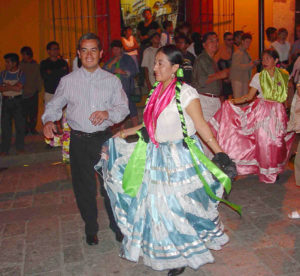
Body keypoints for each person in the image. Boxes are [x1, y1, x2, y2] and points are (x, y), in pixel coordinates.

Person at [95, 45, 236, 276]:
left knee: (175, 207)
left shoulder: (186, 93)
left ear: (175, 68)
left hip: (180, 158)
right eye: (156, 62)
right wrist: (125, 132)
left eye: (161, 63)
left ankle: (180, 253)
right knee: (159, 207)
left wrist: (221, 155)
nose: (155, 67)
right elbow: (150, 125)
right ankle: (172, 253)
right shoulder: (155, 92)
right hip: (156, 156)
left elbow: (201, 125)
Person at [42, 33, 129, 246]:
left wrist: (108, 114)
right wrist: (48, 120)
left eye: (93, 50)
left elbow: (123, 108)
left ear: (100, 53)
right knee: (83, 188)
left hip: (104, 140)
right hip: (79, 141)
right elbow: (54, 105)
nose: (88, 54)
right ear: (78, 54)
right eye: (84, 50)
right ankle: (91, 228)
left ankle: (117, 225)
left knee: (110, 186)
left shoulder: (111, 81)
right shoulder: (68, 81)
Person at [210, 49, 295, 183]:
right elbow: (249, 97)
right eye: (263, 59)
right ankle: (266, 172)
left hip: (278, 113)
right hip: (263, 112)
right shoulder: (259, 76)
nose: (265, 61)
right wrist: (232, 101)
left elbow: (288, 92)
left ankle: (273, 170)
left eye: (268, 58)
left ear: (276, 60)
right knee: (264, 142)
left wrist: (289, 110)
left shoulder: (284, 75)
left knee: (277, 142)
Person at [192, 32, 229, 158]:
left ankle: (211, 164)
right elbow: (201, 80)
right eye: (211, 41)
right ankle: (207, 166)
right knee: (207, 134)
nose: (215, 43)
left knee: (214, 132)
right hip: (205, 99)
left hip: (213, 100)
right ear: (204, 44)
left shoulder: (211, 60)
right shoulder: (202, 59)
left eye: (217, 40)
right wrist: (220, 75)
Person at [103, 40, 139, 127]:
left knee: (131, 108)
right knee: (118, 110)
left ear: (121, 49)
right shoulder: (111, 60)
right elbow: (103, 71)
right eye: (113, 50)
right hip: (114, 90)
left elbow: (134, 71)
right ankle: (121, 132)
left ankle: (137, 130)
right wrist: (113, 65)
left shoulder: (127, 58)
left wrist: (123, 72)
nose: (115, 51)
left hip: (126, 88)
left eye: (117, 49)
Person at [0, 53, 26, 156]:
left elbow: (18, 88)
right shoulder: (2, 74)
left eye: (8, 62)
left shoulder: (21, 74)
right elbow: (1, 89)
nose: (6, 64)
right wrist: (13, 86)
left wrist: (7, 86)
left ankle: (20, 147)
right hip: (6, 101)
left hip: (18, 101)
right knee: (5, 126)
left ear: (14, 63)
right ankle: (4, 149)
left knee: (20, 125)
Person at [20, 46, 42, 135]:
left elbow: (39, 78)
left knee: (33, 112)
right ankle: (25, 128)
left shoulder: (35, 65)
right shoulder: (20, 65)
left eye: (24, 54)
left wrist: (38, 88)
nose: (23, 56)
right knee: (23, 113)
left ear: (28, 54)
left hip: (33, 92)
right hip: (22, 92)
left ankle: (32, 128)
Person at [230, 33, 258, 99]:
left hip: (244, 79)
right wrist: (251, 64)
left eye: (249, 42)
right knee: (238, 99)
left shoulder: (246, 53)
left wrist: (253, 64)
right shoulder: (238, 53)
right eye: (247, 42)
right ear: (242, 41)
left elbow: (246, 66)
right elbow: (236, 66)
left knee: (245, 99)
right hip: (237, 79)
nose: (248, 44)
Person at [215, 32, 234, 99]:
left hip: (233, 78)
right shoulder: (220, 49)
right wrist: (222, 77)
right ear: (224, 40)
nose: (231, 41)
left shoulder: (235, 49)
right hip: (222, 79)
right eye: (229, 40)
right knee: (223, 98)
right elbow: (215, 64)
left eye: (232, 39)